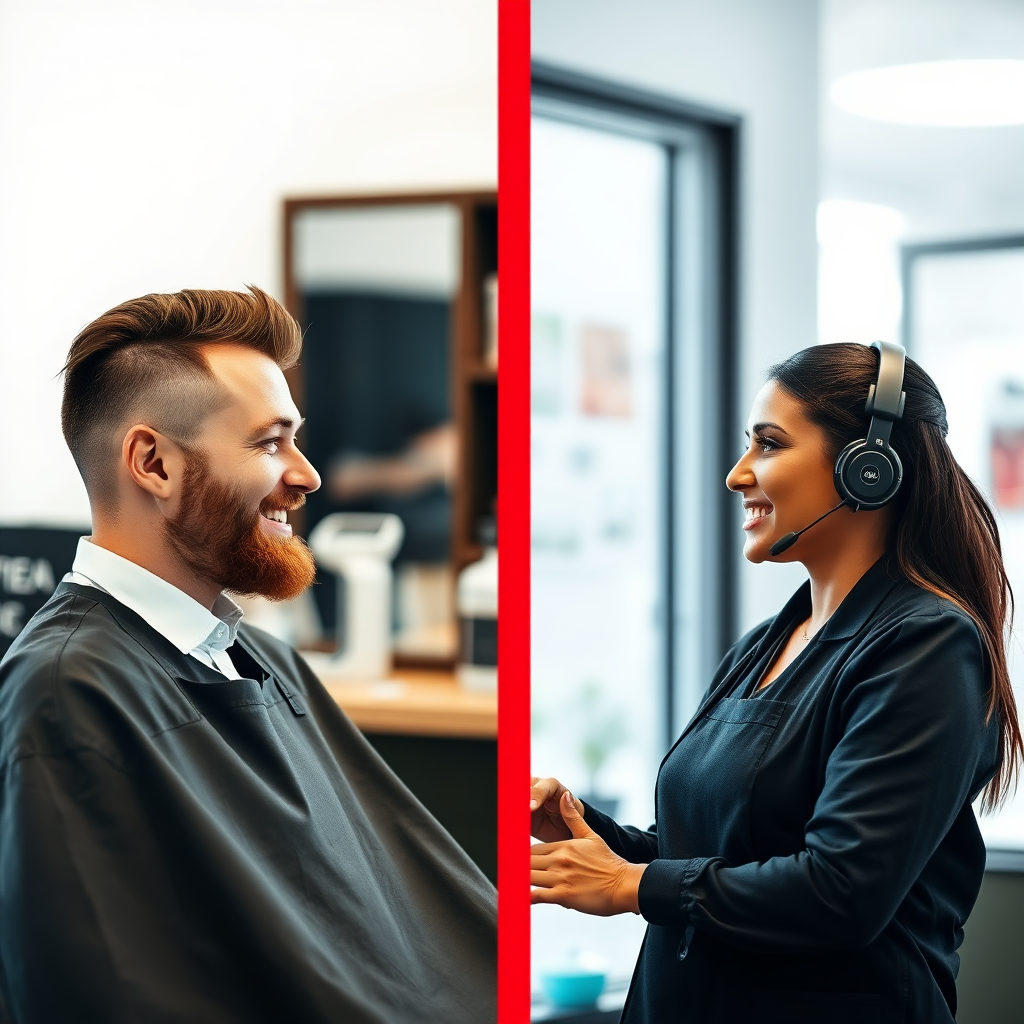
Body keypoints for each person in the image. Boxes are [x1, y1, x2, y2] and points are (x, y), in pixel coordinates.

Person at [0, 287, 495, 1024]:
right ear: (154, 465)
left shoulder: (265, 660)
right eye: (269, 443)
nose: (307, 475)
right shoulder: (70, 691)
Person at [530, 342, 1022, 1024]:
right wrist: (592, 835)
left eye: (768, 444)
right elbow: (710, 856)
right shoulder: (765, 644)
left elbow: (840, 889)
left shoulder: (928, 645)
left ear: (867, 469)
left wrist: (631, 884)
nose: (737, 475)